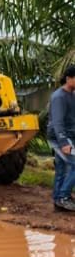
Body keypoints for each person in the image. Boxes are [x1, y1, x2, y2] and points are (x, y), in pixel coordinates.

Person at [48, 65, 75, 211]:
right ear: (68, 78)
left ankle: (58, 200)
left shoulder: (72, 94)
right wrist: (64, 142)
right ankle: (63, 197)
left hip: (69, 135)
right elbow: (57, 122)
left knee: (62, 167)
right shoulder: (59, 97)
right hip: (59, 137)